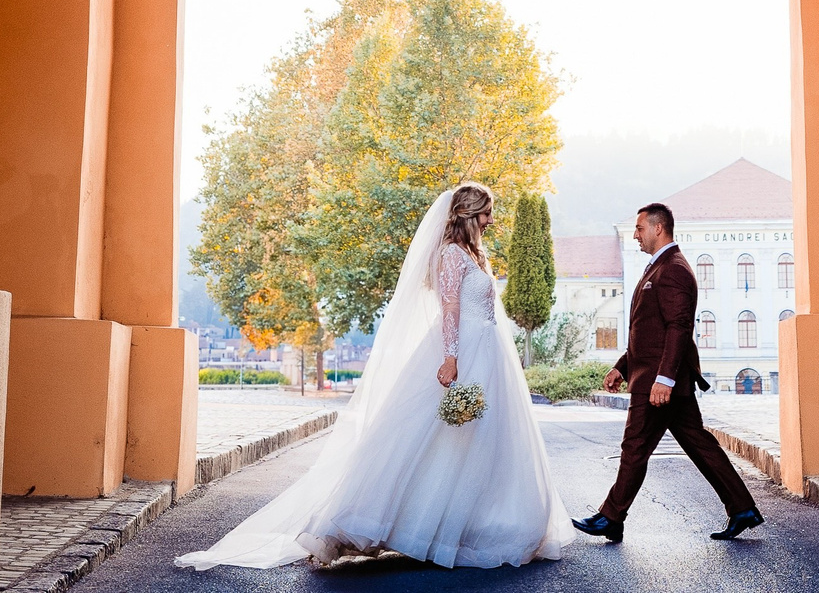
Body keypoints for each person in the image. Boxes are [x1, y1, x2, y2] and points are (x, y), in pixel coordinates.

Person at [176, 182, 574, 570]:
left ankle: (469, 522)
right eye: (487, 213)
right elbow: (450, 308)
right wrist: (451, 359)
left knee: (480, 440)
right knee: (439, 436)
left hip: (487, 352)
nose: (490, 220)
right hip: (466, 350)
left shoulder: (473, 254)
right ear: (470, 214)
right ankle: (397, 521)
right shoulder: (452, 254)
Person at [570, 202, 764, 544]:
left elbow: (678, 327)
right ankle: (742, 508)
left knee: (635, 447)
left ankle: (611, 517)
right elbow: (648, 331)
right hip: (657, 378)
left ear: (659, 228)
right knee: (699, 445)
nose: (635, 235)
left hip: (659, 383)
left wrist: (665, 378)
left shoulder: (673, 269)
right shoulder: (656, 268)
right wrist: (622, 366)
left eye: (640, 228)